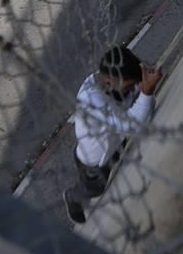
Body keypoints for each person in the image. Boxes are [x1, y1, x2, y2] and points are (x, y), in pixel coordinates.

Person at [63, 45, 162, 224]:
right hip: (94, 162)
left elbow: (137, 102)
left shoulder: (115, 82)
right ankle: (72, 197)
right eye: (129, 86)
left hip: (114, 142)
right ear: (108, 82)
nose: (132, 89)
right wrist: (146, 93)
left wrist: (144, 83)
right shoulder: (90, 101)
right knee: (96, 188)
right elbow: (130, 125)